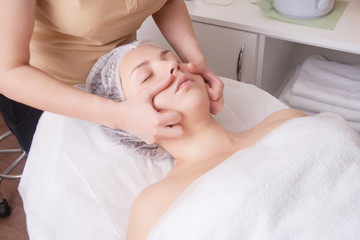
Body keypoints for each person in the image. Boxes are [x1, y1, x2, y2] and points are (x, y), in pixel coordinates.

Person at [86, 41, 360, 240]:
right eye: (147, 77)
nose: (171, 66)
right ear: (131, 124)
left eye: (172, 58)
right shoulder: (155, 202)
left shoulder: (285, 120)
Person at [0, 0, 223, 153]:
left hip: (121, 87)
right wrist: (118, 115)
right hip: (45, 94)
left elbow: (168, 2)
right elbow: (7, 72)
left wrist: (196, 62)